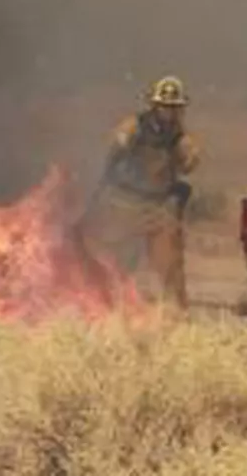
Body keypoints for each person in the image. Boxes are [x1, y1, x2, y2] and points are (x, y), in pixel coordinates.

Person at [78, 75, 200, 316]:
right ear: (155, 106)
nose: (170, 112)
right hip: (126, 203)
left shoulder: (180, 138)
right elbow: (114, 149)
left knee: (171, 267)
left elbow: (188, 164)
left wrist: (188, 156)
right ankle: (104, 310)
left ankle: (176, 317)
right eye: (165, 107)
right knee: (113, 261)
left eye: (174, 107)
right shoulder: (134, 127)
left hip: (158, 208)